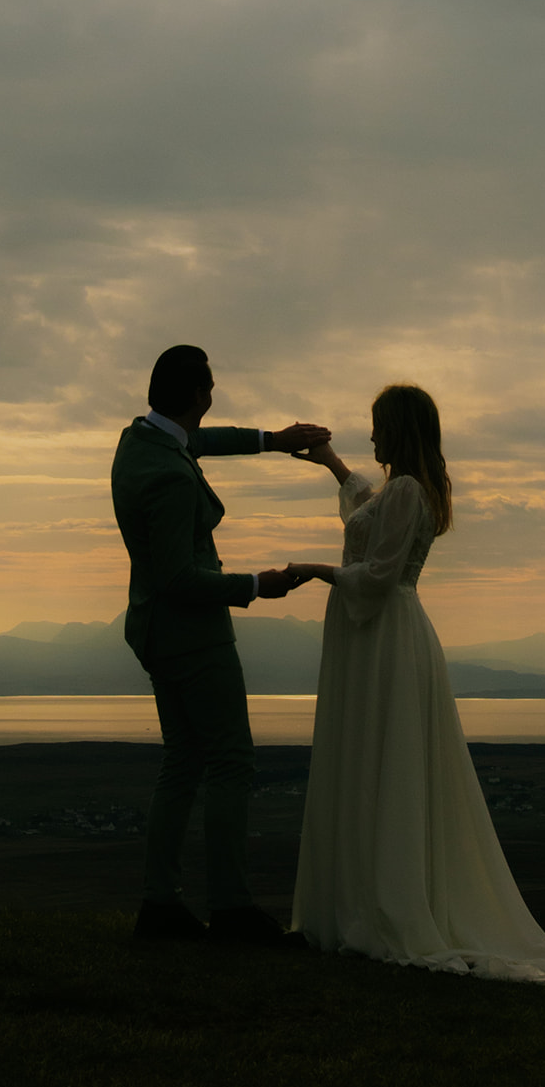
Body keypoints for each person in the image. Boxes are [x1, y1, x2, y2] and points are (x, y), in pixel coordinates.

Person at [286, 384, 545, 985]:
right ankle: (371, 898)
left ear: (398, 430)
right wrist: (333, 466)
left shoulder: (407, 491)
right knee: (380, 760)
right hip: (387, 633)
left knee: (383, 760)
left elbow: (376, 572)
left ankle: (386, 905)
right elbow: (368, 516)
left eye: (377, 427)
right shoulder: (408, 491)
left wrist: (309, 571)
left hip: (385, 636)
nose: (371, 437)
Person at [111, 344, 329, 945]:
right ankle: (232, 910)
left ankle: (160, 907)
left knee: (182, 763)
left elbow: (203, 441)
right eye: (210, 391)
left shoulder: (140, 443)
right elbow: (180, 578)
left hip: (154, 632)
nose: (213, 401)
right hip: (194, 637)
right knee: (231, 762)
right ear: (198, 396)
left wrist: (274, 439)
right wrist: (258, 586)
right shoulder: (173, 479)